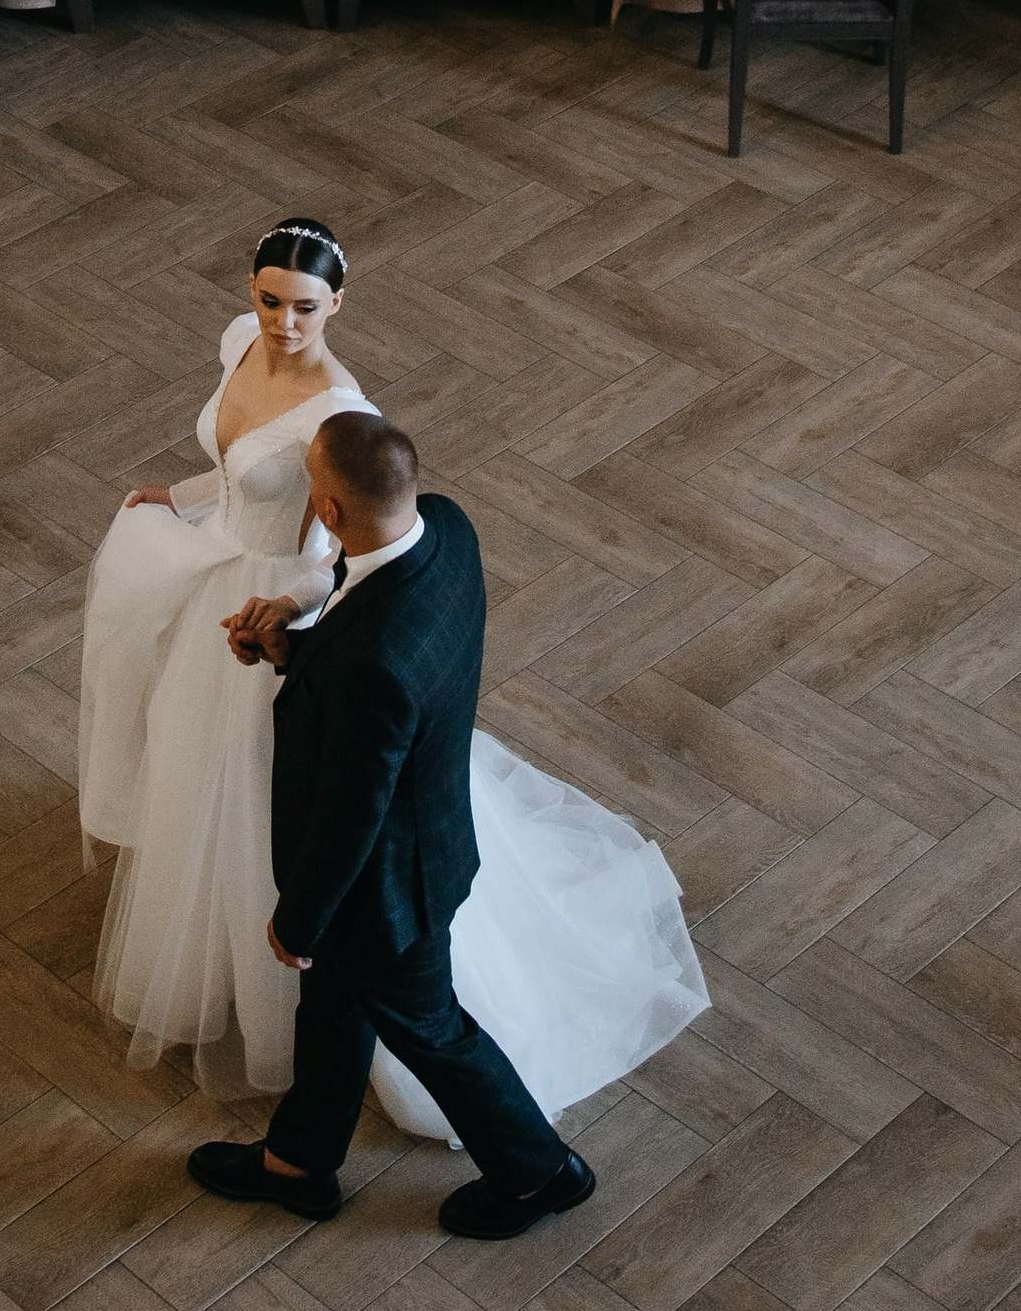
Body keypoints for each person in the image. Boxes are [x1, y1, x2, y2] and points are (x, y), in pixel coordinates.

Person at [77, 220, 706, 1193]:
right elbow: (351, 603)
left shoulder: (369, 659)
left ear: (326, 511)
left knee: (426, 1024)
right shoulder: (439, 528)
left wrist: (294, 920)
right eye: (268, 299)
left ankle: (538, 1172)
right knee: (333, 1010)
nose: (283, 322)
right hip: (391, 787)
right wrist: (292, 611)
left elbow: (347, 811)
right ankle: (297, 1162)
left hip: (394, 879)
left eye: (306, 305)